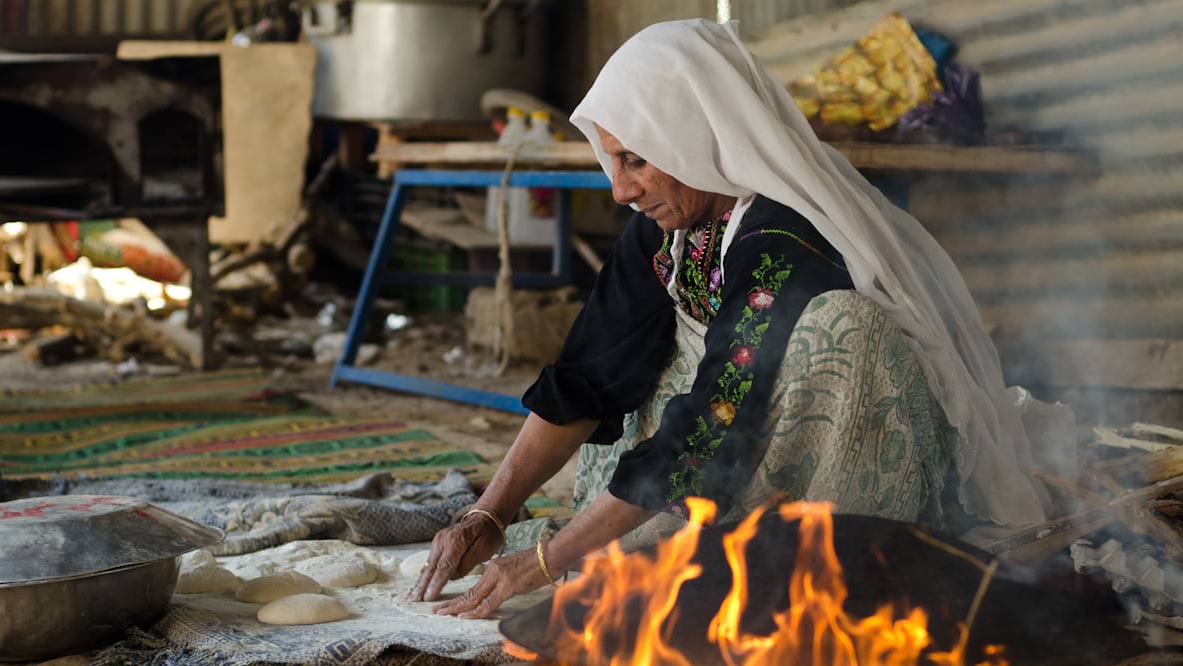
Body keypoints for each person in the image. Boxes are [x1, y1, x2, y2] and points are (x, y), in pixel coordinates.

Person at [408, 18, 1067, 619]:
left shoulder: (784, 233)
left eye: (635, 159)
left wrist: (550, 561)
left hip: (808, 438)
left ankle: (819, 555)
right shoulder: (666, 228)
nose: (620, 188)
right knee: (643, 354)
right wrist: (489, 513)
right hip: (725, 429)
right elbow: (586, 375)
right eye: (613, 160)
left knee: (846, 326)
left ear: (691, 134)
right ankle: (665, 535)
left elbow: (714, 417)